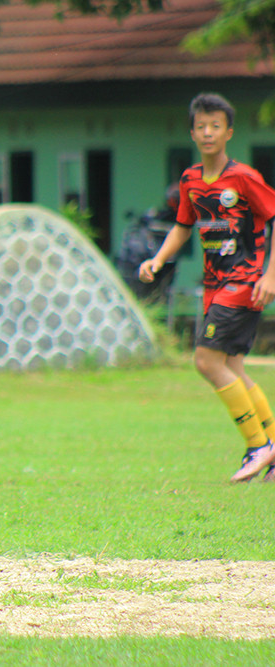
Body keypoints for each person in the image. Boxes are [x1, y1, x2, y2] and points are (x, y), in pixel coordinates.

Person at [139, 92, 275, 483]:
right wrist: (159, 260)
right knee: (232, 366)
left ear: (229, 132)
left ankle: (257, 446)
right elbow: (183, 225)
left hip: (244, 281)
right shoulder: (191, 180)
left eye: (216, 125)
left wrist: (269, 276)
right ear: (193, 133)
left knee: (205, 361)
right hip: (215, 286)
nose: (208, 132)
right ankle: (272, 445)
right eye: (201, 126)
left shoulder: (244, 178)